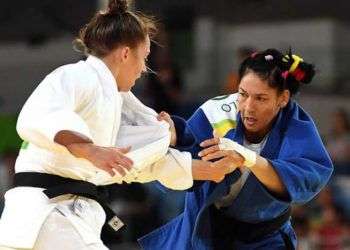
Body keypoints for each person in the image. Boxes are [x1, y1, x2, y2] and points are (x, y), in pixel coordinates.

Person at [0, 1, 227, 249]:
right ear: (126, 54)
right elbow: (39, 115)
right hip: (47, 216)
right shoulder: (77, 76)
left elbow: (132, 163)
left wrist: (212, 170)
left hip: (54, 219)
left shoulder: (114, 100)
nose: (143, 69)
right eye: (145, 57)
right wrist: (88, 149)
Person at [139, 48, 334, 249]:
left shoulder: (296, 127)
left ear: (283, 98)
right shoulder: (216, 112)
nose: (248, 106)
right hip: (209, 231)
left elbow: (303, 181)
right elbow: (186, 156)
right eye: (243, 94)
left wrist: (247, 158)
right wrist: (174, 138)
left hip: (266, 236)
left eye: (261, 98)